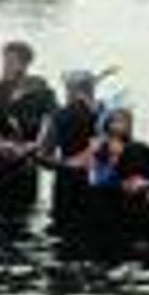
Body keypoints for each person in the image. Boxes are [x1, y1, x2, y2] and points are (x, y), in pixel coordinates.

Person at [0, 41, 58, 214]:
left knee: (25, 210)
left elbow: (54, 121)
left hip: (29, 159)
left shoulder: (42, 90)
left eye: (12, 61)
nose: (6, 65)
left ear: (25, 64)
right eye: (4, 60)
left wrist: (39, 145)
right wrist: (0, 145)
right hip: (0, 159)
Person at [38, 69, 108, 236]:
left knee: (65, 237)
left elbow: (43, 156)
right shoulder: (106, 114)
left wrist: (66, 164)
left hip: (72, 185)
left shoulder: (60, 116)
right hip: (92, 186)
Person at [87, 97, 149, 257]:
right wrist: (114, 163)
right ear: (107, 123)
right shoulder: (99, 149)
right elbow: (95, 181)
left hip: (136, 214)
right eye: (118, 120)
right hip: (108, 215)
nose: (123, 124)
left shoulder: (142, 148)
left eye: (126, 119)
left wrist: (147, 184)